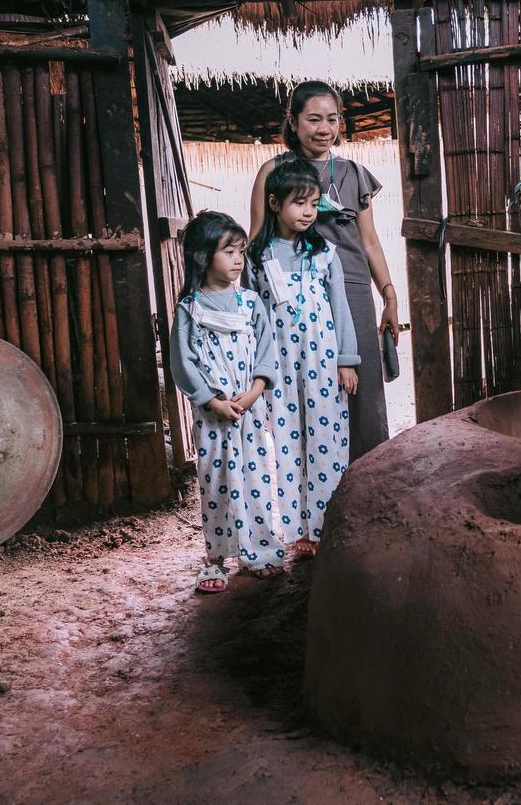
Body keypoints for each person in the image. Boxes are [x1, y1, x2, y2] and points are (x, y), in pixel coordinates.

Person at [250, 80, 397, 462]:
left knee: (362, 392)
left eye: (332, 119)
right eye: (313, 119)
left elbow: (369, 242)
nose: (324, 129)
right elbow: (256, 242)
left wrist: (389, 294)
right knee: (305, 394)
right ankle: (318, 489)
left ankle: (367, 483)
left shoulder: (354, 173)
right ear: (294, 121)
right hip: (293, 299)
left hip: (351, 289)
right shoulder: (274, 171)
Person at [247, 158, 359, 560]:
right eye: (300, 202)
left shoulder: (326, 253)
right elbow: (249, 315)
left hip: (323, 362)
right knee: (287, 443)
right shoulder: (254, 257)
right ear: (275, 203)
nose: (309, 211)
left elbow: (340, 307)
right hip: (276, 365)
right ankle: (297, 530)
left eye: (314, 203)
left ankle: (325, 523)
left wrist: (346, 360)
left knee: (326, 441)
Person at [168, 211, 282, 594]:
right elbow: (182, 365)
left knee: (255, 480)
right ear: (202, 257)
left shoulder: (251, 304)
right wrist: (211, 401)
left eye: (241, 251)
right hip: (213, 418)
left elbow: (267, 353)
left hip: (249, 413)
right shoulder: (190, 310)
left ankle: (261, 551)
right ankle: (216, 558)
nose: (238, 259)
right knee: (215, 482)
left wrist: (253, 393)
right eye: (229, 251)